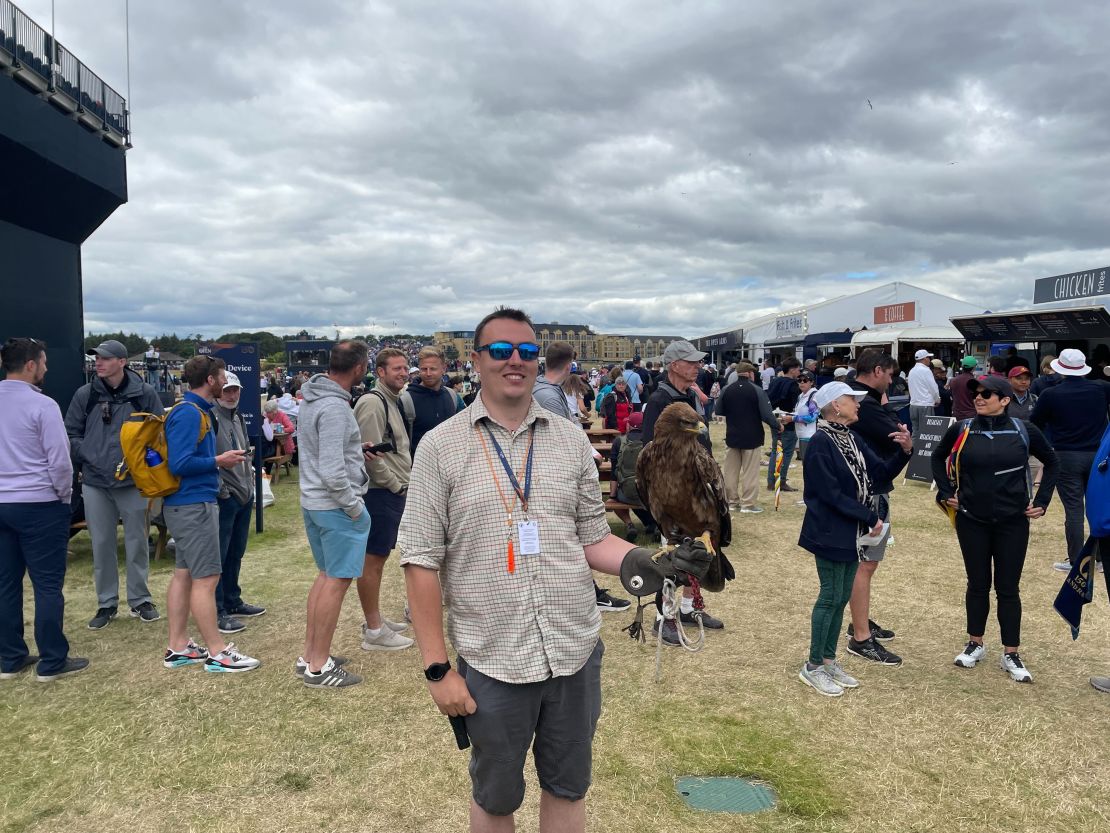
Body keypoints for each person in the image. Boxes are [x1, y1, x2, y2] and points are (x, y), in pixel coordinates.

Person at [397, 307, 710, 833]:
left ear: (538, 361)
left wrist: (645, 564)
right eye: (500, 351)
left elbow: (593, 536)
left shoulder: (568, 440)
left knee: (567, 789)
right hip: (495, 656)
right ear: (476, 361)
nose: (514, 361)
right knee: (496, 799)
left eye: (525, 351)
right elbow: (420, 563)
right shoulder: (440, 447)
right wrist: (437, 668)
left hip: (573, 651)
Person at [931, 376, 1058, 682]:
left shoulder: (1024, 429)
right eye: (976, 393)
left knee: (1008, 588)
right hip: (971, 519)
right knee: (977, 584)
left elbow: (1052, 462)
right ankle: (975, 644)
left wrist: (1041, 500)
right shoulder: (962, 429)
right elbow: (937, 457)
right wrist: (947, 491)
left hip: (1013, 522)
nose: (979, 397)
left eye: (987, 394)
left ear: (1005, 400)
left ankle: (1011, 653)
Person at [797, 382, 912, 697]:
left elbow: (878, 475)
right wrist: (869, 517)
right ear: (835, 405)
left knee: (842, 594)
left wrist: (905, 451)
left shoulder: (850, 437)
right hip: (830, 530)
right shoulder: (822, 442)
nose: (858, 404)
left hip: (852, 531)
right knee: (831, 596)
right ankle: (813, 666)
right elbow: (829, 494)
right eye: (852, 399)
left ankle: (828, 659)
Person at [162, 355, 260, 673]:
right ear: (210, 381)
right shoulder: (190, 413)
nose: (224, 381)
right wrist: (219, 460)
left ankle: (178, 646)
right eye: (220, 376)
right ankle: (218, 652)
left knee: (186, 574)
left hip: (188, 503)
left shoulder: (195, 411)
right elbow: (179, 464)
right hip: (193, 504)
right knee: (205, 579)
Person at [0, 338, 88, 681]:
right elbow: (60, 461)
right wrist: (64, 496)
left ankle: (10, 658)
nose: (47, 368)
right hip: (40, 502)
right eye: (44, 362)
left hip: (4, 502)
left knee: (6, 584)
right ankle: (52, 660)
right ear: (32, 365)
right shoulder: (44, 405)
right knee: (47, 585)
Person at [64, 339, 164, 630]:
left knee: (137, 542)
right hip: (95, 481)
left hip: (133, 481)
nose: (99, 362)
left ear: (122, 362)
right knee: (102, 543)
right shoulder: (85, 394)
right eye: (96, 358)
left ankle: (140, 600)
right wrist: (92, 456)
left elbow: (158, 432)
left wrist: (138, 461)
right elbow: (70, 434)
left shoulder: (144, 393)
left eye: (105, 358)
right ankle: (106, 603)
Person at [297, 341, 375, 687]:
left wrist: (355, 451)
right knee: (335, 581)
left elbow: (324, 453)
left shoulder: (314, 400)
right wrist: (354, 505)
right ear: (359, 368)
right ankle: (319, 665)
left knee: (326, 576)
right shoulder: (335, 407)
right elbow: (331, 469)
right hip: (335, 505)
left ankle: (311, 654)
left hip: (315, 501)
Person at [533, 344, 630, 613]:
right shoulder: (549, 396)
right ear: (569, 365)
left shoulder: (544, 390)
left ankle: (589, 590)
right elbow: (561, 441)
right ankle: (589, 593)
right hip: (558, 476)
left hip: (555, 474)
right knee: (576, 535)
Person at [641, 339, 724, 637]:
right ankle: (665, 618)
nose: (697, 366)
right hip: (673, 497)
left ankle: (689, 608)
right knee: (671, 558)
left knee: (699, 555)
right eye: (691, 362)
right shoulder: (660, 400)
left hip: (698, 490)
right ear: (674, 365)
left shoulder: (690, 395)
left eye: (698, 362)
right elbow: (649, 449)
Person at [845, 351, 909, 664]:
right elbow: (897, 435)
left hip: (867, 488)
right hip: (870, 492)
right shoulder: (866, 406)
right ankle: (860, 637)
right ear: (878, 370)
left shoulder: (857, 400)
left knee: (864, 563)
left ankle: (860, 621)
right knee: (865, 564)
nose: (892, 381)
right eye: (890, 375)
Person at [351, 347, 415, 652]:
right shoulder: (373, 403)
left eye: (405, 368)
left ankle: (375, 620)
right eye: (396, 369)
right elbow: (370, 454)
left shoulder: (392, 400)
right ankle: (374, 630)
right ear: (380, 372)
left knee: (379, 557)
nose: (403, 373)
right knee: (373, 560)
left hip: (390, 491)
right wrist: (394, 485)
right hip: (380, 493)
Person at [1030, 349, 1110, 570]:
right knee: (1098, 507)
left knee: (1074, 510)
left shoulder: (1051, 394)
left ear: (1059, 368)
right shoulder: (1101, 388)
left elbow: (1034, 424)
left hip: (1066, 455)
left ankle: (1078, 562)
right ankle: (1103, 558)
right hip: (1099, 455)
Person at [212, 372, 266, 636]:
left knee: (236, 552)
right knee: (220, 555)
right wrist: (223, 491)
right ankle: (218, 608)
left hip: (243, 493)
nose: (232, 395)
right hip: (226, 495)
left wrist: (249, 488)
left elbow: (244, 452)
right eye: (227, 390)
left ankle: (233, 600)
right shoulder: (211, 417)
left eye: (236, 390)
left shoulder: (237, 417)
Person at [714, 361, 780, 514]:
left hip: (732, 435)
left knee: (730, 471)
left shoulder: (727, 389)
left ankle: (731, 502)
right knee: (750, 472)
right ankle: (748, 504)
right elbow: (766, 414)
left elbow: (718, 410)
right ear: (750, 373)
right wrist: (777, 425)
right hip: (752, 436)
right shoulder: (757, 390)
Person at [408, 346, 463, 456]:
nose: (428, 373)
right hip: (420, 468)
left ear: (443, 369)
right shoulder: (407, 400)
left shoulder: (452, 396)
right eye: (424, 369)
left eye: (433, 369)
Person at [767, 358, 802, 493]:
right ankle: (780, 481)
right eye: (798, 369)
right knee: (786, 453)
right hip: (787, 421)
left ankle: (771, 481)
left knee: (776, 451)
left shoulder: (775, 382)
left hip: (775, 419)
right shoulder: (793, 385)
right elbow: (795, 405)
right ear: (792, 369)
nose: (799, 372)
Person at [908, 348, 940, 430]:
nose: (930, 360)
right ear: (924, 359)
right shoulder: (926, 370)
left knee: (915, 431)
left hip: (913, 405)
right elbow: (933, 388)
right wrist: (937, 399)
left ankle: (914, 444)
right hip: (925, 405)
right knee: (927, 431)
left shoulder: (911, 371)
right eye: (929, 358)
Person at [792, 370, 819, 459]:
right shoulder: (801, 396)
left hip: (810, 436)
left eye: (805, 380)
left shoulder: (814, 396)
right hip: (801, 434)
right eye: (799, 380)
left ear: (811, 382)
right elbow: (798, 413)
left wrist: (792, 419)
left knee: (809, 464)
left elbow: (812, 417)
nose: (802, 382)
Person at [950, 356, 979, 420]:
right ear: (974, 368)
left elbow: (952, 395)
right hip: (970, 415)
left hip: (956, 414)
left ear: (962, 367)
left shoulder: (953, 380)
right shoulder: (974, 382)